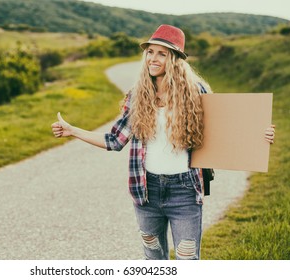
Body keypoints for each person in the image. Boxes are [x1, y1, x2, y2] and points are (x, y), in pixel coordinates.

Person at [51, 24, 276, 260]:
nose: (153, 59)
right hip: (146, 190)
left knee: (187, 260)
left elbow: (221, 133)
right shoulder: (137, 95)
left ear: (176, 59)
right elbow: (114, 140)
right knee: (154, 259)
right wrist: (72, 130)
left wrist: (258, 136)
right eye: (150, 52)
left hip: (185, 191)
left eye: (162, 53)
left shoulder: (197, 92)